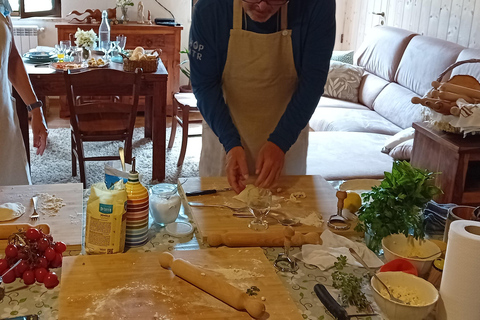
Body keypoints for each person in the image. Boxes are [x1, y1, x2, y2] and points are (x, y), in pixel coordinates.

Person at [189, 0, 335, 193]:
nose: (263, 6)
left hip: (288, 132)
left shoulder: (317, 5)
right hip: (222, 132)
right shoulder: (210, 8)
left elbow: (312, 83)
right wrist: (230, 142)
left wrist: (281, 141)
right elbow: (204, 85)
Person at [0, 0, 48, 185]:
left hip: (4, 121)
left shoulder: (3, 6)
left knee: (14, 201)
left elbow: (12, 59)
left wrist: (36, 110)